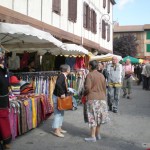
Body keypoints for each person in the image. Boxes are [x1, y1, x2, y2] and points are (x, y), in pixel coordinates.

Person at [83, 60, 109, 142]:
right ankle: (98, 134)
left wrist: (83, 94)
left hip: (92, 99)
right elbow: (105, 88)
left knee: (92, 118)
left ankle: (93, 136)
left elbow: (87, 88)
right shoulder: (101, 75)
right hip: (102, 99)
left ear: (90, 66)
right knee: (99, 118)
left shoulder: (89, 75)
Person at [52, 64, 71, 138]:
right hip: (57, 97)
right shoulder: (61, 76)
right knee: (58, 114)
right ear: (67, 70)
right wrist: (62, 93)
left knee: (61, 113)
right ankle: (56, 130)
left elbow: (60, 85)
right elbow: (58, 84)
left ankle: (59, 128)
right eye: (69, 69)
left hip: (59, 97)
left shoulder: (63, 76)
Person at [0, 50, 12, 149]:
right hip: (2, 99)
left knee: (3, 121)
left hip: (3, 100)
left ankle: (5, 141)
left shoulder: (5, 70)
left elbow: (6, 84)